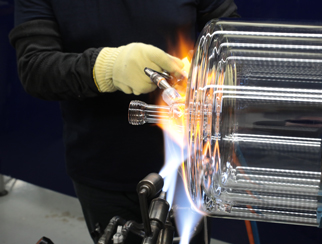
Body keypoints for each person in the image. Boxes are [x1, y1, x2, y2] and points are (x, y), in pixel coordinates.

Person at [9, 1, 238, 243]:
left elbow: (227, 29)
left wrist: (209, 65)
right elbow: (34, 67)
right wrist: (106, 68)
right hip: (101, 166)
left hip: (189, 169)